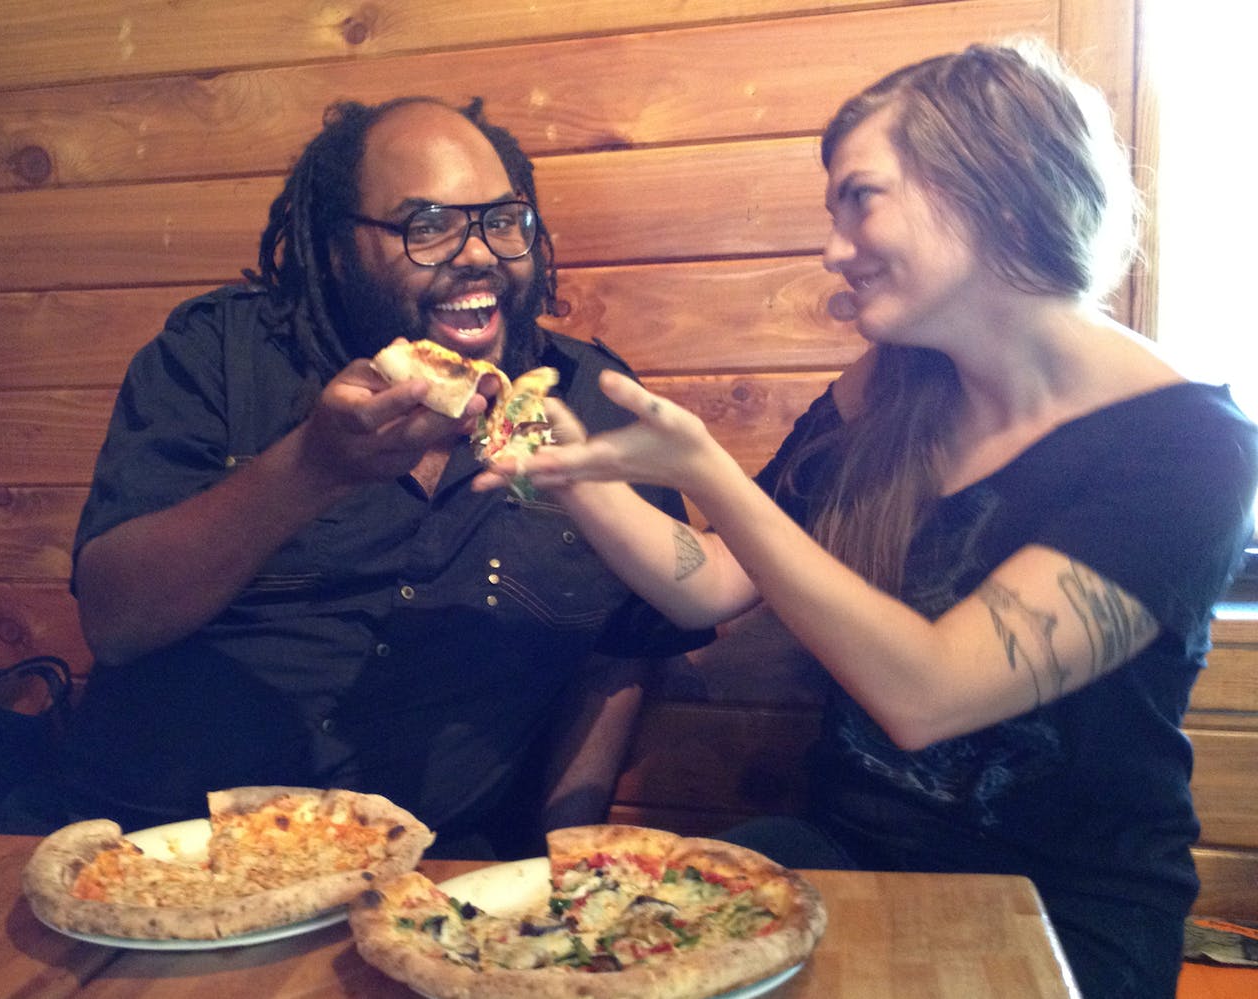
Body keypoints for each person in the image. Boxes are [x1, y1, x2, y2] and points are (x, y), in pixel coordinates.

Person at [477, 42, 1258, 998]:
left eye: (861, 197)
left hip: (1064, 911)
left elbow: (929, 695)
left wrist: (712, 476)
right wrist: (568, 478)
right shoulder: (889, 389)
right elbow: (716, 581)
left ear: (995, 187)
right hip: (841, 850)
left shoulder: (1187, 446)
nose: (834, 247)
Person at [58, 96, 710, 858]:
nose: (478, 253)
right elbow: (115, 621)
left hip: (444, 873)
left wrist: (567, 854)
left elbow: (623, 646)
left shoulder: (591, 402)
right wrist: (308, 469)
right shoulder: (220, 356)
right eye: (426, 225)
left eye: (502, 220)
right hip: (171, 854)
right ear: (337, 249)